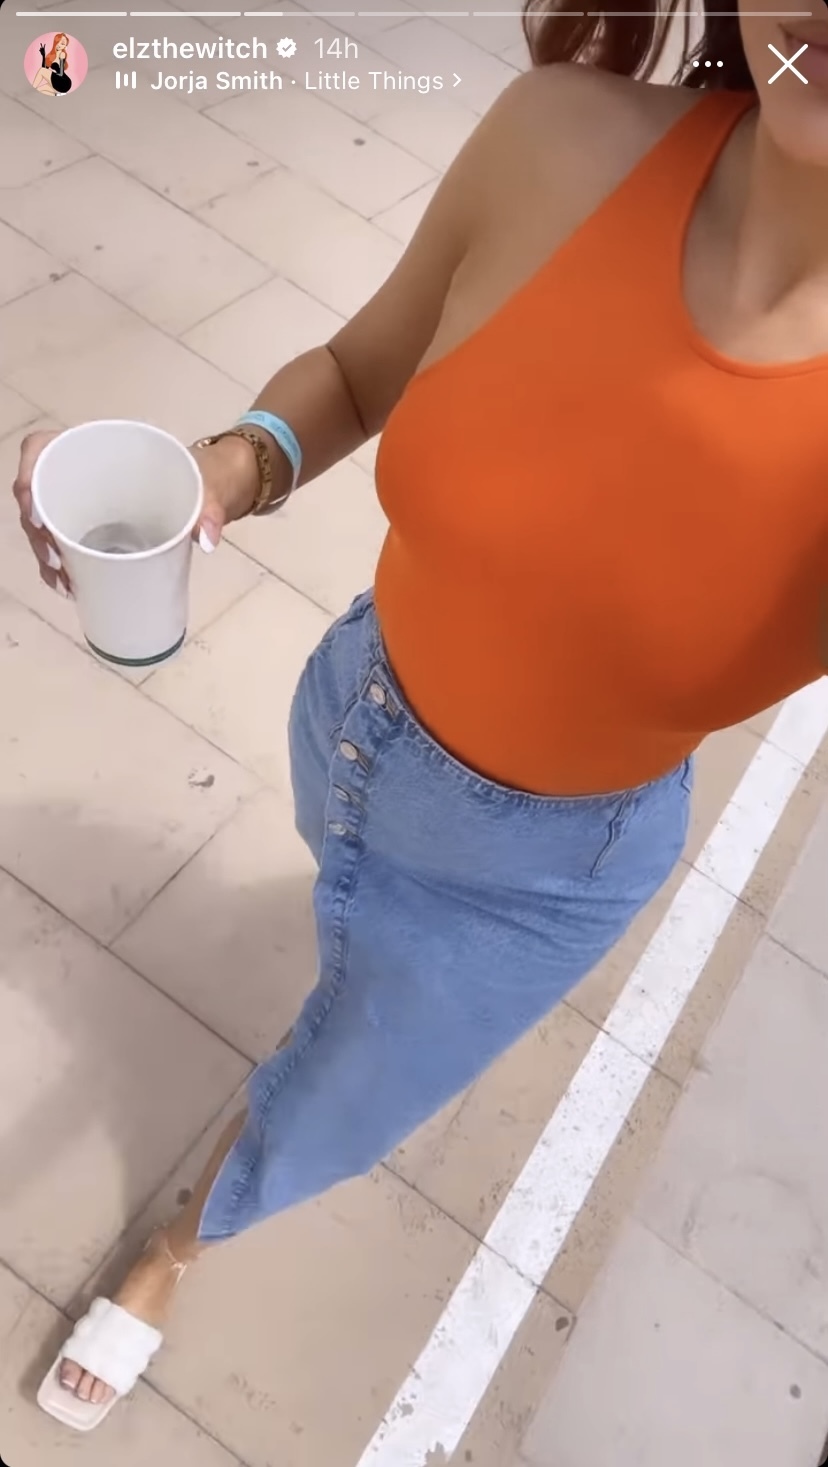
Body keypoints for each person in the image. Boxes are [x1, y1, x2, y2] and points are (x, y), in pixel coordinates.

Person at [13, 0, 828, 1428]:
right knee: (340, 921)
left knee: (340, 1086)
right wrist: (226, 468)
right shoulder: (564, 138)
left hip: (532, 883)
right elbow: (354, 374)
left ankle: (180, 1241)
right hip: (353, 708)